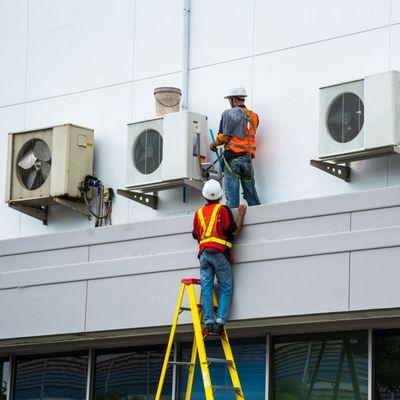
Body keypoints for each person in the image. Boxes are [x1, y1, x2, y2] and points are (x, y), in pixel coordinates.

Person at [192, 179, 247, 334]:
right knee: (225, 288)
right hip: (219, 254)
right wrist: (241, 213)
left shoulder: (198, 213)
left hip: (204, 255)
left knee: (207, 287)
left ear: (205, 197)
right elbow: (234, 232)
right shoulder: (222, 210)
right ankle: (220, 322)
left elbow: (196, 235)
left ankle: (208, 321)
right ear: (220, 196)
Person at [210, 86, 261, 209]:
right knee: (251, 194)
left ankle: (231, 225)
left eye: (230, 100)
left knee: (232, 197)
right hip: (247, 161)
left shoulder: (228, 113)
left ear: (233, 99)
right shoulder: (254, 116)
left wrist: (214, 144)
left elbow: (224, 137)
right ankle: (260, 216)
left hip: (233, 161)